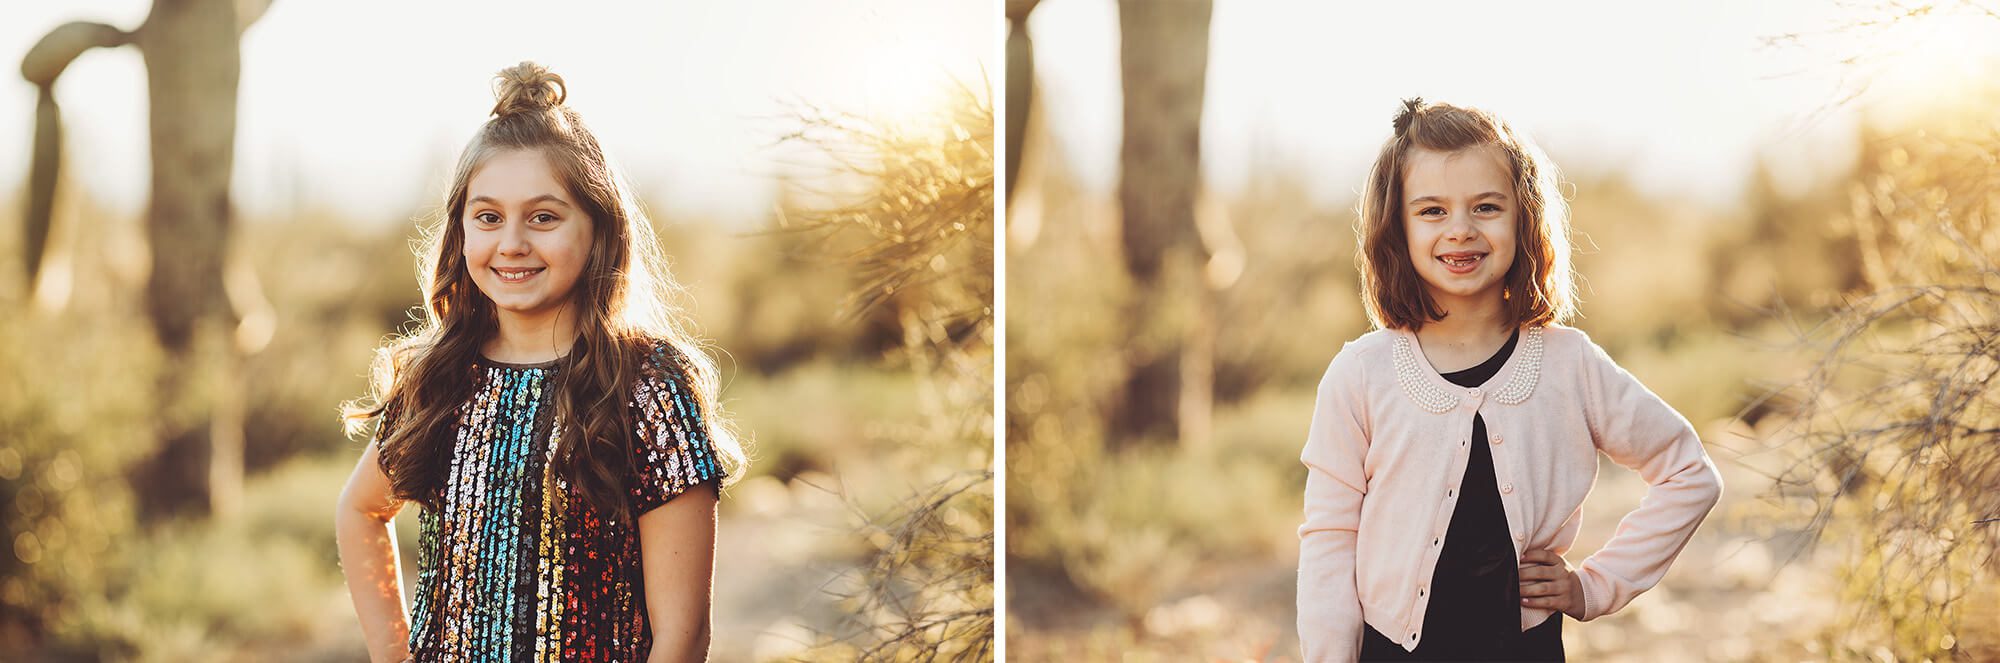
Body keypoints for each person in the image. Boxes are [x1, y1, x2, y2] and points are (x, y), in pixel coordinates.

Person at [333, 61, 746, 663]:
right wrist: (395, 655)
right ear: (462, 233)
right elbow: (362, 509)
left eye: (544, 216)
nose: (513, 243)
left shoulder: (647, 384)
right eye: (489, 217)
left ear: (599, 228)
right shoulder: (441, 379)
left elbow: (683, 637)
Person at [1295, 99, 1723, 662]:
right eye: (1431, 211)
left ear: (1524, 217)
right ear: (1395, 226)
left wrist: (1595, 585)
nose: (1460, 230)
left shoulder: (1570, 367)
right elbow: (1330, 538)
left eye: (1486, 207)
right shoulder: (1361, 375)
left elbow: (1689, 474)